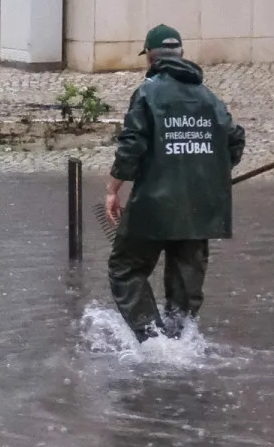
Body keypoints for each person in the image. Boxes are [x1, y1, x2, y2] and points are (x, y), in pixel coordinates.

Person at [104, 24, 246, 342]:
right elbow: (234, 140)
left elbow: (132, 146)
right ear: (181, 55)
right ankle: (180, 344)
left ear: (150, 58)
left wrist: (113, 189)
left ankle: (152, 340)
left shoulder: (147, 93)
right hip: (200, 209)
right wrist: (210, 175)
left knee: (126, 268)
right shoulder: (210, 98)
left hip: (154, 206)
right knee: (186, 286)